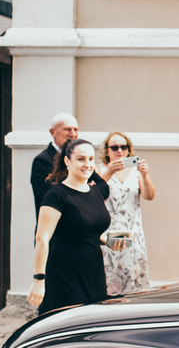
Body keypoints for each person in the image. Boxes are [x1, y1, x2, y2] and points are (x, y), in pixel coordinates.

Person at [28, 139, 127, 315]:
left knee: (91, 320)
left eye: (91, 159)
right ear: (67, 161)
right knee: (68, 321)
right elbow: (42, 238)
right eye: (81, 159)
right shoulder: (56, 195)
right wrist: (39, 280)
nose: (87, 164)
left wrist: (108, 241)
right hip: (65, 272)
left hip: (93, 271)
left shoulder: (96, 192)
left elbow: (84, 230)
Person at [99, 131, 156, 295]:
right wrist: (110, 171)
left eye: (124, 147)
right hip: (108, 235)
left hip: (133, 233)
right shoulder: (99, 170)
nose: (119, 151)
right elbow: (92, 192)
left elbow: (149, 196)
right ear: (107, 150)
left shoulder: (136, 172)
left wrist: (145, 175)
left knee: (134, 279)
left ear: (129, 150)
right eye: (114, 147)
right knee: (109, 278)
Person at [30, 112, 80, 215]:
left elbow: (102, 188)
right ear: (53, 132)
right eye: (67, 129)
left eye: (75, 130)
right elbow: (55, 196)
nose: (73, 134)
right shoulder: (42, 161)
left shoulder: (81, 158)